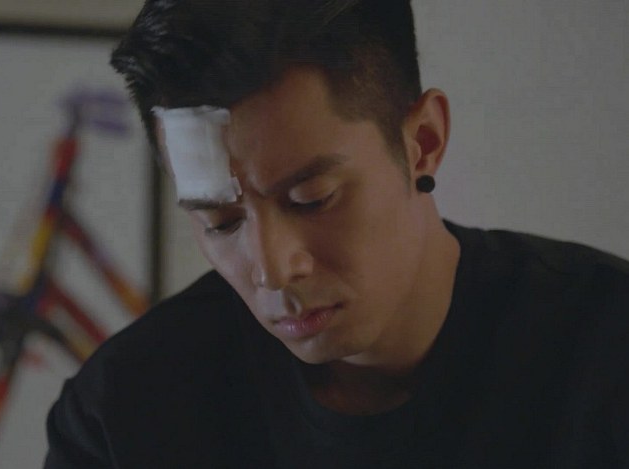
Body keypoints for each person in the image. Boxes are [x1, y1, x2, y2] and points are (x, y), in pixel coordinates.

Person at [44, 1, 629, 467]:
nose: (273, 270)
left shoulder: (604, 351)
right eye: (222, 222)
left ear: (423, 142)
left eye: (311, 199)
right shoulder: (123, 412)